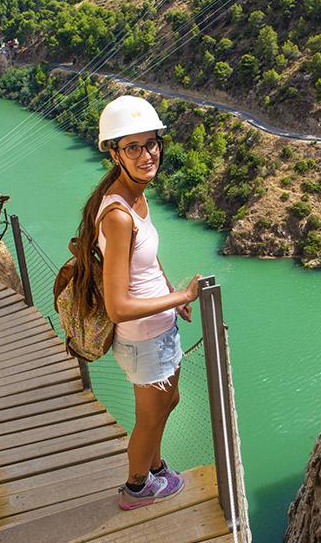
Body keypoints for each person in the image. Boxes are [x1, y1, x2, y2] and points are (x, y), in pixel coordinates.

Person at [71, 95, 201, 510]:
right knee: (150, 416)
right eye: (133, 147)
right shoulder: (118, 214)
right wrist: (180, 294)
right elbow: (117, 307)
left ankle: (157, 465)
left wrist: (169, 295)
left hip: (159, 328)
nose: (147, 155)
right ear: (114, 152)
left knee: (169, 401)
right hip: (142, 338)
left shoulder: (135, 195)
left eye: (151, 143)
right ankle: (136, 487)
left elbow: (147, 258)